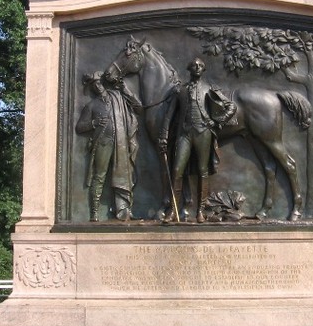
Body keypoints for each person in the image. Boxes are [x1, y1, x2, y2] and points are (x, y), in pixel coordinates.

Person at [158, 57, 235, 223]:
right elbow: (169, 115)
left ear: (204, 69)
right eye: (194, 65)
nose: (197, 67)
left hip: (203, 132)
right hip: (184, 134)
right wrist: (164, 135)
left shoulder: (209, 88)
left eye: (200, 65)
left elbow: (231, 106)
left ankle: (201, 211)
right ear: (189, 68)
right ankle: (173, 210)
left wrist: (217, 121)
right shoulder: (180, 90)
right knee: (177, 170)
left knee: (202, 170)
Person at [75, 70, 142, 221]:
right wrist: (93, 123)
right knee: (99, 177)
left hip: (121, 144)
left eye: (98, 83)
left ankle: (124, 211)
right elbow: (79, 127)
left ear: (102, 83)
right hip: (103, 144)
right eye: (93, 85)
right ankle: (94, 213)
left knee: (124, 175)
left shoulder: (117, 98)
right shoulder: (91, 105)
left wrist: (125, 89)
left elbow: (138, 107)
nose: (97, 87)